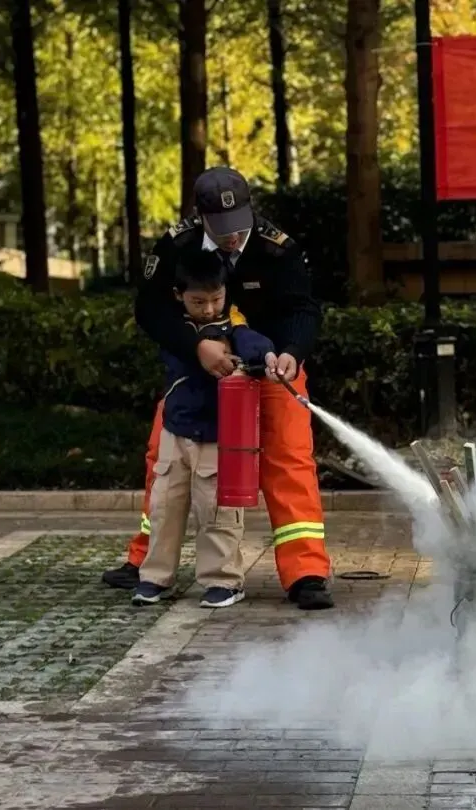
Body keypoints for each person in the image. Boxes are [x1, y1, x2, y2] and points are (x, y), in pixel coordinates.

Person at [103, 165, 334, 610]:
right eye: (222, 228)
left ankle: (305, 572)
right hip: (195, 374)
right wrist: (197, 347)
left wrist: (291, 352)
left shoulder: (277, 249)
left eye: (239, 225)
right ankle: (145, 562)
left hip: (271, 372)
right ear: (201, 216)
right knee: (163, 464)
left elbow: (303, 309)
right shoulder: (178, 246)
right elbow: (150, 309)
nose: (233, 237)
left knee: (289, 460)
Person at [133, 253, 275, 609]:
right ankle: (154, 577)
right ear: (179, 295)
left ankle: (223, 581)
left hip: (217, 437)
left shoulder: (234, 326)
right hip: (175, 433)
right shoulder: (173, 328)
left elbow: (253, 343)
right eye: (199, 302)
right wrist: (202, 349)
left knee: (216, 510)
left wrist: (266, 358)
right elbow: (171, 341)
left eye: (216, 299)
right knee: (164, 507)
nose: (210, 309)